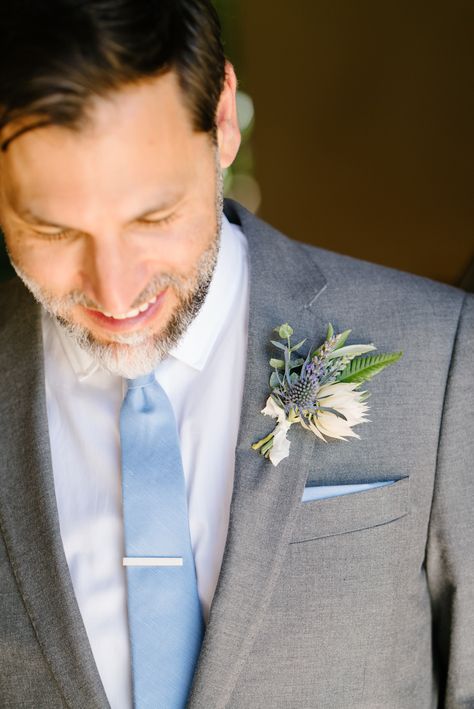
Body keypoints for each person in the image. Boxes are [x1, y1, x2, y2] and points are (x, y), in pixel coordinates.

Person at [0, 1, 472, 708]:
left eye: (153, 217)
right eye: (53, 230)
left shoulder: (442, 355)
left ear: (223, 119)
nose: (115, 288)